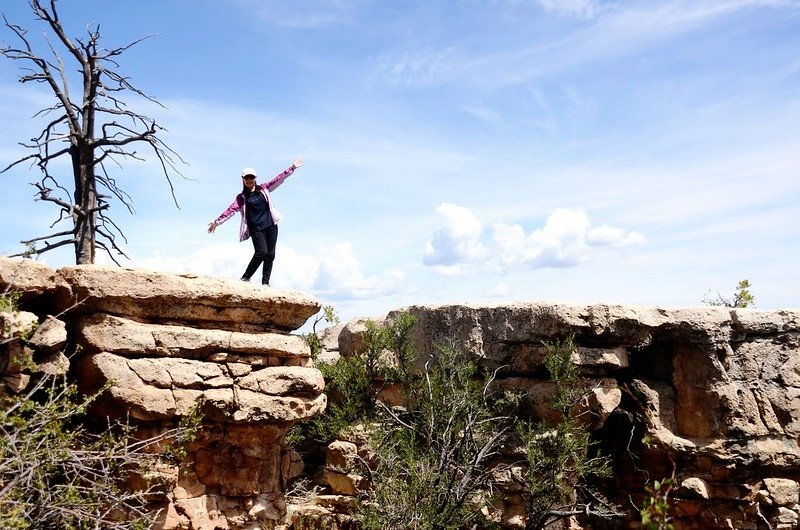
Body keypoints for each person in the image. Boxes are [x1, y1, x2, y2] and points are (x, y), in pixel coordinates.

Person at [207, 157, 304, 286]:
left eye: (251, 178)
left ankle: (265, 283)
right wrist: (216, 222)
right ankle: (246, 277)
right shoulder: (241, 198)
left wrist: (291, 168)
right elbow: (230, 210)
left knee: (270, 254)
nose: (249, 180)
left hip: (271, 225)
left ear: (255, 178)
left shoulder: (263, 189)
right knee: (261, 252)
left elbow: (278, 179)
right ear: (243, 179)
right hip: (256, 228)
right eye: (246, 178)